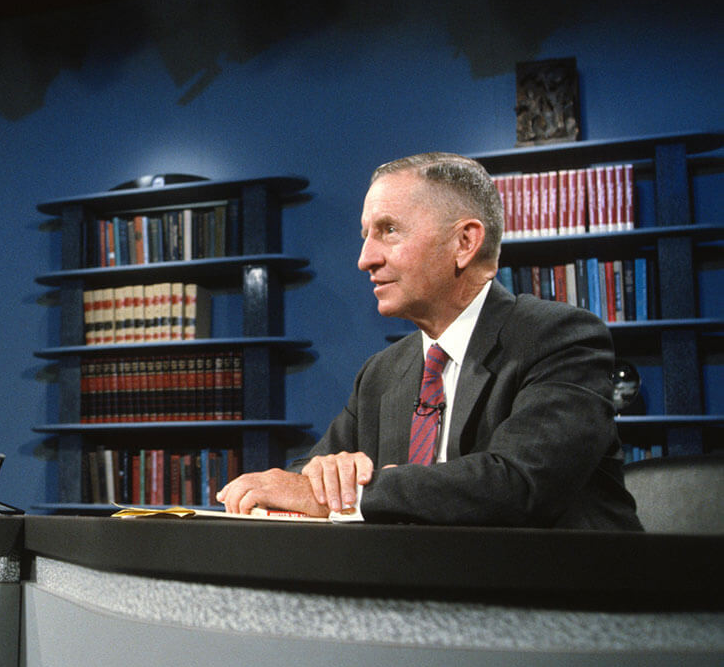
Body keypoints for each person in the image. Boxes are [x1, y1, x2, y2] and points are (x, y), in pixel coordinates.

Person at [217, 152, 642, 530]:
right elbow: (306, 480)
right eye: (365, 234)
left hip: (567, 605)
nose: (366, 259)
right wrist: (326, 475)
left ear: (464, 242)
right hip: (418, 601)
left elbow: (519, 484)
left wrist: (355, 494)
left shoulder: (560, 338)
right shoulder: (382, 373)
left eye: (388, 230)